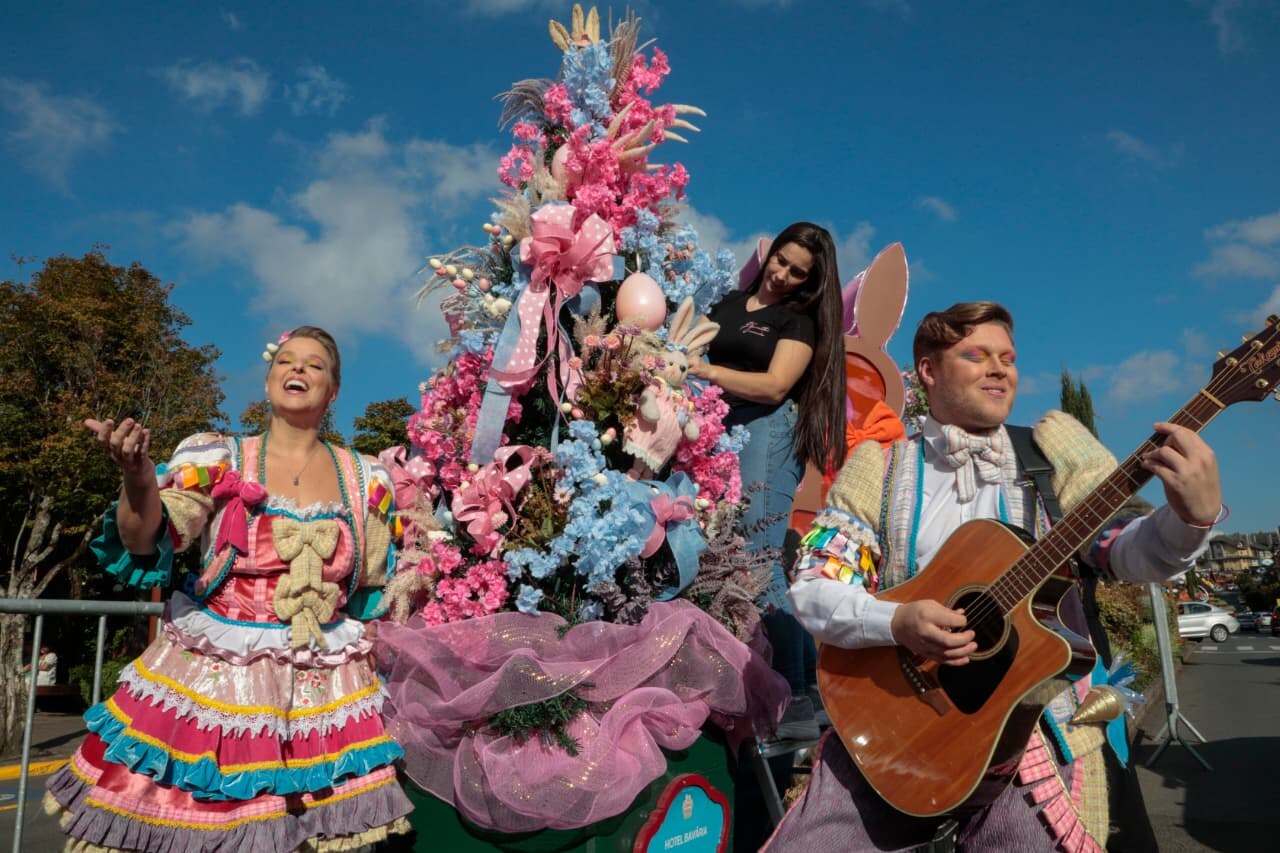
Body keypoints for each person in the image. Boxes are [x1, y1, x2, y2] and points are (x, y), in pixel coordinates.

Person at [766, 301, 1222, 851]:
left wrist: (1190, 520)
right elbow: (814, 586)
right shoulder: (878, 467)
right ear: (928, 371)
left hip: (1031, 733)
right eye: (976, 356)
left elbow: (1121, 552)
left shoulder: (1053, 452)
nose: (1000, 369)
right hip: (889, 725)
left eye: (1008, 357)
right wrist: (898, 621)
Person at [45, 326, 413, 851]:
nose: (299, 370)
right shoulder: (218, 457)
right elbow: (149, 535)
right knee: (211, 823)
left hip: (327, 685)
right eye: (287, 361)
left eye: (315, 364)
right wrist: (139, 479)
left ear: (333, 391)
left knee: (317, 836)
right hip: (221, 673)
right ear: (268, 382)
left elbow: (376, 585)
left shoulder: (366, 475)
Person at [689, 221, 847, 741]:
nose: (782, 276)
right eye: (781, 260)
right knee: (740, 558)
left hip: (767, 433)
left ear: (810, 284)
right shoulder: (728, 304)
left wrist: (707, 373)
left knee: (760, 559)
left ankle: (798, 696)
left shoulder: (795, 322)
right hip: (718, 437)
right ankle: (813, 696)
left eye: (798, 273)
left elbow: (775, 386)